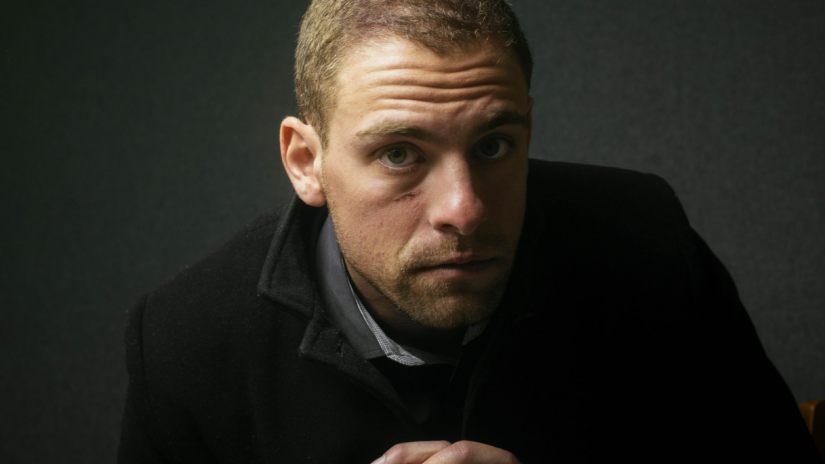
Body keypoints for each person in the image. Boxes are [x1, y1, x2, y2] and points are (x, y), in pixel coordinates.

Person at [118, 1, 820, 463]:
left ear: (527, 127)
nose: (465, 209)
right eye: (399, 153)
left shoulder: (644, 241)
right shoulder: (187, 343)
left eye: (492, 145)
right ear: (307, 162)